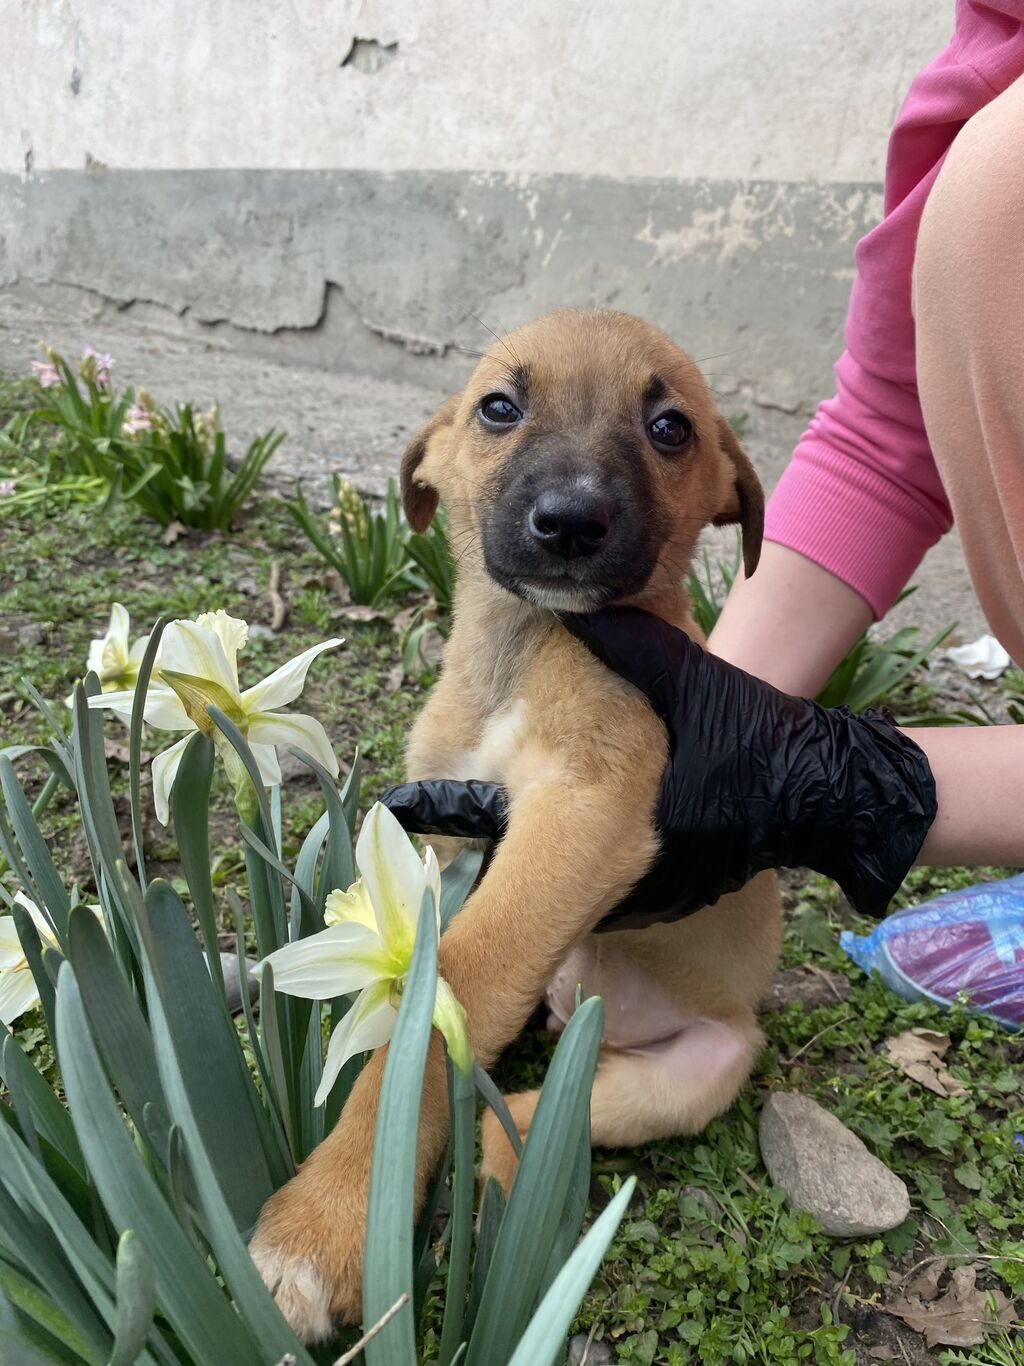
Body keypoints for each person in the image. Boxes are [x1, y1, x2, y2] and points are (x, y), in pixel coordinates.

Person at [383, 1, 1024, 926]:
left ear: (728, 494)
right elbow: (893, 422)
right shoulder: (980, 67)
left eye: (668, 432)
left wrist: (841, 786)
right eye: (502, 412)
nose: (573, 495)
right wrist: (716, 736)